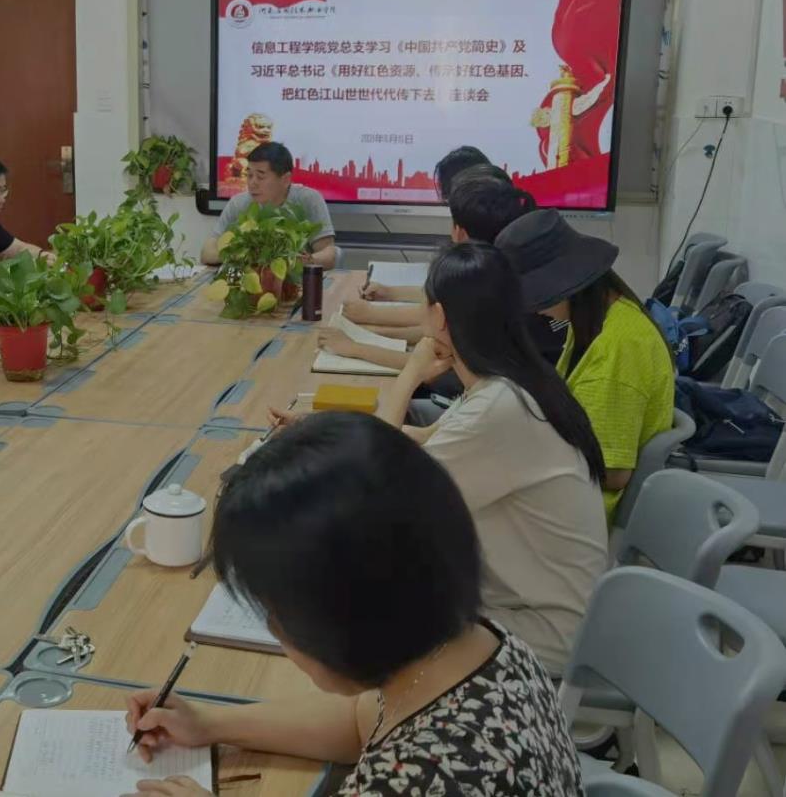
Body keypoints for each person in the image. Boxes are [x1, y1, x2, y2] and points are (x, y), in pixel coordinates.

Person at [124, 412, 583, 797]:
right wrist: (210, 724)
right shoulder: (474, 647)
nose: (276, 631)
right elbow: (362, 718)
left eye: (275, 613)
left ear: (341, 622)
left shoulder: (420, 779)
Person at [279, 242, 608, 671]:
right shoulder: (514, 382)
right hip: (535, 602)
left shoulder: (499, 409)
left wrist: (411, 372)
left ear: (438, 317)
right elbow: (421, 440)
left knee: (349, 605)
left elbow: (376, 489)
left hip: (542, 631)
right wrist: (320, 431)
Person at [495, 209, 675, 519]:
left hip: (581, 512)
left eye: (538, 298)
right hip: (569, 488)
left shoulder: (619, 347)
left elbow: (612, 472)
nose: (535, 311)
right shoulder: (601, 320)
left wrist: (524, 457)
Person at [327, 167, 561, 372]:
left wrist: (357, 345)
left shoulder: (488, 285)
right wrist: (372, 328)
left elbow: (437, 364)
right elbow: (441, 332)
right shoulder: (503, 272)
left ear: (461, 232)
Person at [200, 141, 336, 268]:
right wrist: (238, 256)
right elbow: (207, 252)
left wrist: (306, 261)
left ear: (285, 179)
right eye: (249, 175)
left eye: (260, 177)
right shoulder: (238, 204)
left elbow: (329, 255)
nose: (252, 183)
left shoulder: (308, 200)